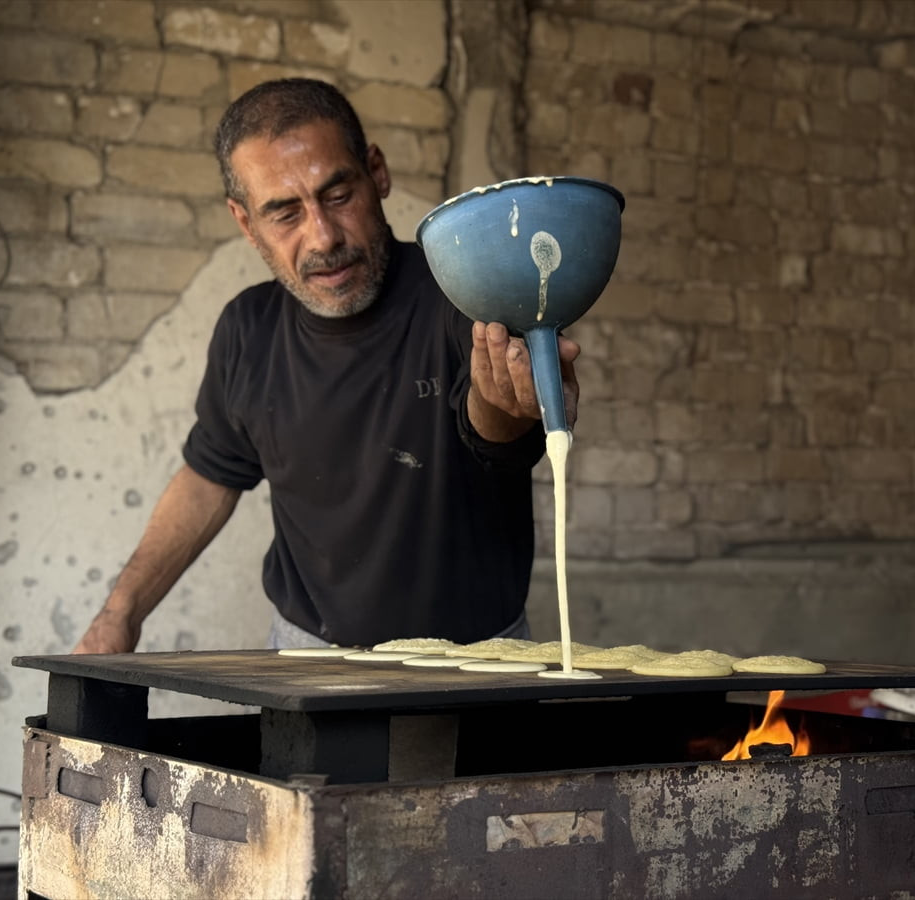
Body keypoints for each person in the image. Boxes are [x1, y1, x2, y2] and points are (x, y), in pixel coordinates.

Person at [72, 78, 579, 654]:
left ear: (376, 174)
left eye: (338, 196)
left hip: (482, 658)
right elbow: (210, 476)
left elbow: (493, 429)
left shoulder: (463, 294)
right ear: (245, 223)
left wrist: (506, 405)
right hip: (305, 654)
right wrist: (120, 613)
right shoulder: (247, 329)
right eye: (284, 213)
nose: (323, 236)